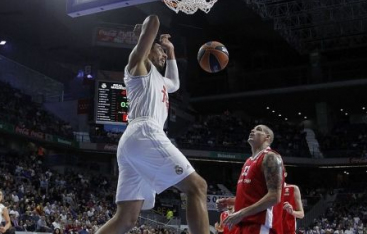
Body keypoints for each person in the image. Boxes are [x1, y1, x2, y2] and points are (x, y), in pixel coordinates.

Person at [95, 14, 209, 234]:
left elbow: (175, 83)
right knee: (198, 186)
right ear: (148, 47)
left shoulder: (159, 79)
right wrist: (144, 34)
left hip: (134, 141)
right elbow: (154, 20)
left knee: (126, 219)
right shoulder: (138, 65)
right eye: (161, 52)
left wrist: (171, 49)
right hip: (145, 132)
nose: (164, 56)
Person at [216, 125, 284, 234]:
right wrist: (232, 202)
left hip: (260, 225)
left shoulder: (270, 157)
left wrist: (241, 213)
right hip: (243, 223)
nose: (253, 130)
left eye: (259, 130)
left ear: (267, 137)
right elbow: (253, 196)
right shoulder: (248, 161)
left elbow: (274, 196)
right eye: (252, 129)